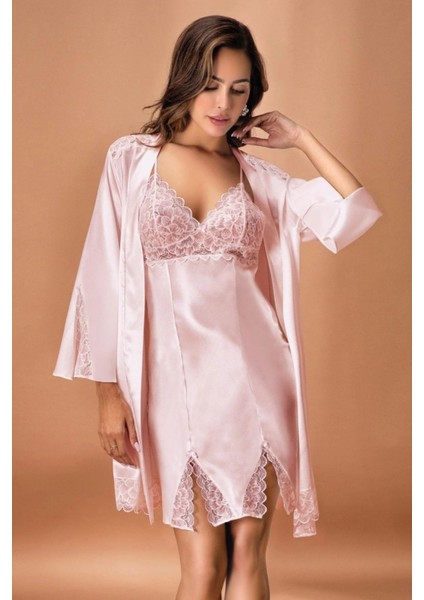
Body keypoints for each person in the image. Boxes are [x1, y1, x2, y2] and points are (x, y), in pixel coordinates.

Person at [53, 14, 383, 600]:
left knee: (249, 556)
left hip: (258, 381)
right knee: (204, 565)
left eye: (239, 88)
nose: (224, 103)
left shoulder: (260, 179)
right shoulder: (131, 161)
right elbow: (99, 280)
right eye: (210, 85)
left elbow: (355, 212)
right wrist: (108, 394)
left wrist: (302, 139)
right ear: (186, 79)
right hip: (173, 388)